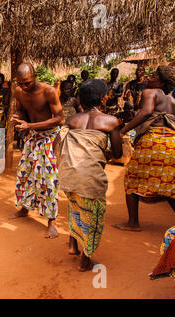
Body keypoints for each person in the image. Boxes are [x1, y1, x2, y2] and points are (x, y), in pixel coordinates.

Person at [53, 79, 123, 271]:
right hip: (90, 180)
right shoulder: (110, 121)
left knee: (75, 207)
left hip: (69, 176)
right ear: (102, 99)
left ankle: (72, 245)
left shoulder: (72, 121)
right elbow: (117, 154)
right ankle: (85, 259)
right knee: (93, 216)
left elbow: (57, 144)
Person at [113, 65, 175, 232]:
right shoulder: (172, 100)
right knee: (170, 184)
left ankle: (133, 222)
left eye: (154, 75)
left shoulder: (151, 93)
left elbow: (146, 112)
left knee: (132, 179)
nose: (150, 77)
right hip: (172, 144)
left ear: (162, 82)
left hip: (152, 143)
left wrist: (123, 130)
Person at [10, 63, 63, 238]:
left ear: (35, 76)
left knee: (47, 179)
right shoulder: (19, 91)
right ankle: (25, 208)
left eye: (27, 82)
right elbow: (21, 110)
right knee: (25, 173)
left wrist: (30, 125)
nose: (24, 86)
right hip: (32, 136)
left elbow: (59, 119)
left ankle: (51, 221)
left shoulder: (48, 92)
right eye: (21, 83)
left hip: (49, 137)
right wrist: (17, 118)